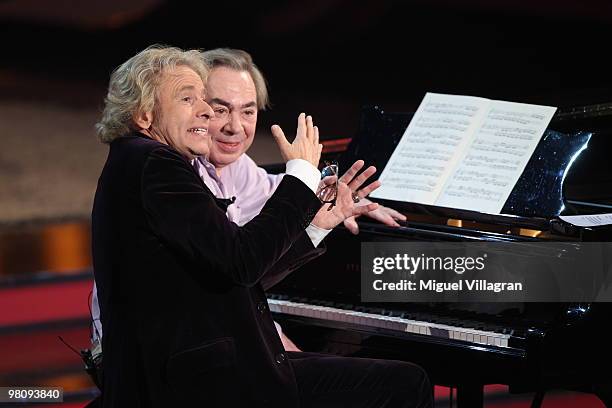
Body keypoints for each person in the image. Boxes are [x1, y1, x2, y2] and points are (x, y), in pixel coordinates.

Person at [92, 44, 432, 407]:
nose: (208, 113)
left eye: (207, 102)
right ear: (145, 116)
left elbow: (233, 271)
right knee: (406, 384)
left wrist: (316, 225)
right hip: (194, 381)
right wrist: (301, 173)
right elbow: (242, 261)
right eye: (190, 100)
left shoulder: (139, 161)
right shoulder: (158, 165)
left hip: (201, 365)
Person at [196, 47, 404, 351]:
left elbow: (276, 190)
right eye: (220, 110)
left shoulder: (237, 167)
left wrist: (346, 197)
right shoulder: (179, 174)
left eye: (248, 111)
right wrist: (303, 172)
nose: (236, 127)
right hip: (193, 333)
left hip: (229, 321)